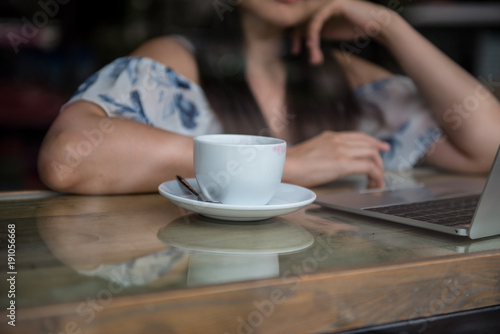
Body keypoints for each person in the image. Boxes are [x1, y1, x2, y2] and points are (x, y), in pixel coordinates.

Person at [38, 0, 500, 194]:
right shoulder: (180, 59)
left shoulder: (345, 76)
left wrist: (387, 25)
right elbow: (68, 158)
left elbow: (489, 146)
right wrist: (287, 165)